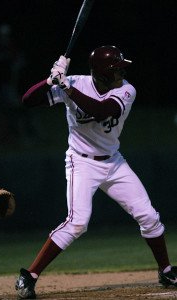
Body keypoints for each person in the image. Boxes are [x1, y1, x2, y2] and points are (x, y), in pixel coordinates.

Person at [15, 46, 177, 299]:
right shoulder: (77, 82)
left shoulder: (126, 90)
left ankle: (166, 270)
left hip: (113, 162)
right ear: (101, 73)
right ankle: (29, 276)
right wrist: (49, 81)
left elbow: (101, 111)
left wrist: (66, 87)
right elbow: (27, 100)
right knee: (78, 222)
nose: (121, 73)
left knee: (148, 216)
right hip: (81, 162)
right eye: (115, 70)